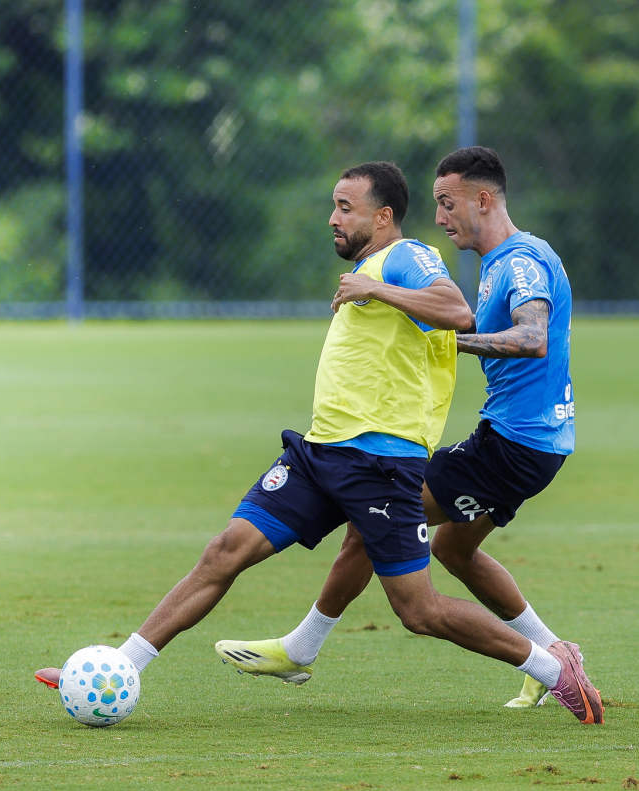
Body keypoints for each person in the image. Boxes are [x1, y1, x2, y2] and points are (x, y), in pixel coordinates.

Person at [35, 159, 603, 724]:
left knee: (419, 610)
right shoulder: (375, 268)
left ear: (382, 216)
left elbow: (456, 311)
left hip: (380, 464)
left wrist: (375, 290)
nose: (333, 218)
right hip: (319, 453)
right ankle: (122, 666)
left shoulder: (406, 256)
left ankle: (552, 667)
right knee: (226, 550)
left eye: (345, 208)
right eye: (333, 206)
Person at [215, 146, 590, 714]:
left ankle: (302, 648)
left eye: (448, 203)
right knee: (453, 549)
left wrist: (443, 340)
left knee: (375, 522)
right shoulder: (501, 262)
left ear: (482, 200)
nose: (439, 217)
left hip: (515, 444)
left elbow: (531, 337)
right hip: (529, 442)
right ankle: (552, 653)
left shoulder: (519, 262)